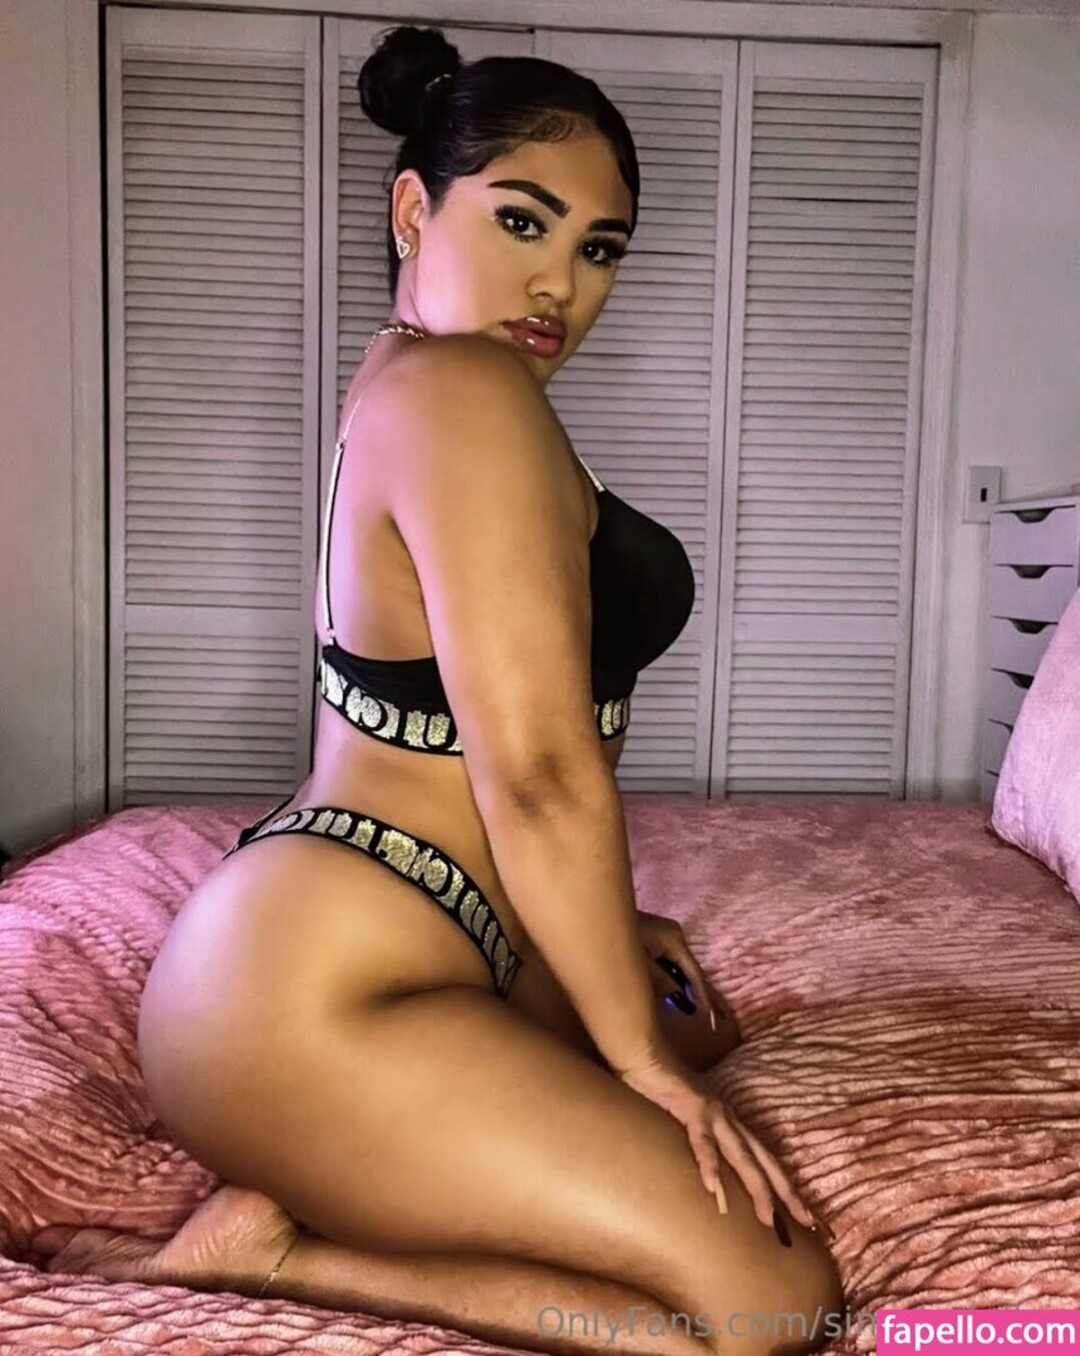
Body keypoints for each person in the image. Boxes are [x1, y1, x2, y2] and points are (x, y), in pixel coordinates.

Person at [31, 24, 844, 1356]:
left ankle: (353, 1162)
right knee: (769, 1307)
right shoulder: (465, 391)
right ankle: (281, 1252)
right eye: (523, 220)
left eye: (599, 248)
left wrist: (619, 984)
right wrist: (637, 1067)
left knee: (692, 1012)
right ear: (414, 209)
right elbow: (537, 772)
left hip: (404, 935)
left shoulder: (428, 381)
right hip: (310, 1001)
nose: (561, 282)